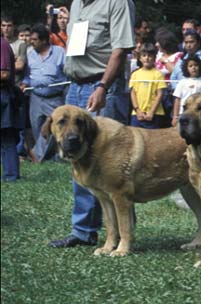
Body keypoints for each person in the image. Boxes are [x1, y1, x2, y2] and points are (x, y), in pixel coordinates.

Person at [49, 0, 136, 248]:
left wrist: (102, 87)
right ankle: (84, 231)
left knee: (113, 164)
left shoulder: (117, 3)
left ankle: (122, 234)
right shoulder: (77, 3)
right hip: (76, 86)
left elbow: (120, 50)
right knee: (79, 161)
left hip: (102, 86)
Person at [19, 24, 66, 160]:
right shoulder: (30, 53)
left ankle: (37, 155)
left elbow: (67, 72)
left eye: (34, 39)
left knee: (54, 127)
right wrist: (25, 83)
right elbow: (27, 75)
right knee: (37, 129)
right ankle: (48, 158)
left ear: (44, 40)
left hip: (54, 97)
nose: (31, 42)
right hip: (36, 97)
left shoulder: (59, 52)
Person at [1, 36, 24, 182]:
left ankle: (11, 175)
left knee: (7, 137)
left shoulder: (2, 45)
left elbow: (4, 73)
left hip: (2, 94)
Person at [129, 43, 168, 129]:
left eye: (150, 56)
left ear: (154, 58)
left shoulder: (158, 74)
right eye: (144, 55)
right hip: (137, 114)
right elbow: (133, 93)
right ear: (140, 57)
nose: (147, 58)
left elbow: (160, 94)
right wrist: (137, 110)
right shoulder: (135, 74)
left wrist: (151, 112)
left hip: (155, 113)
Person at [171, 55, 201, 126]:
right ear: (186, 69)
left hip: (199, 116)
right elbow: (177, 100)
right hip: (183, 114)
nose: (193, 68)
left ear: (200, 67)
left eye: (196, 65)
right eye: (190, 66)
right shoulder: (182, 82)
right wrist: (175, 117)